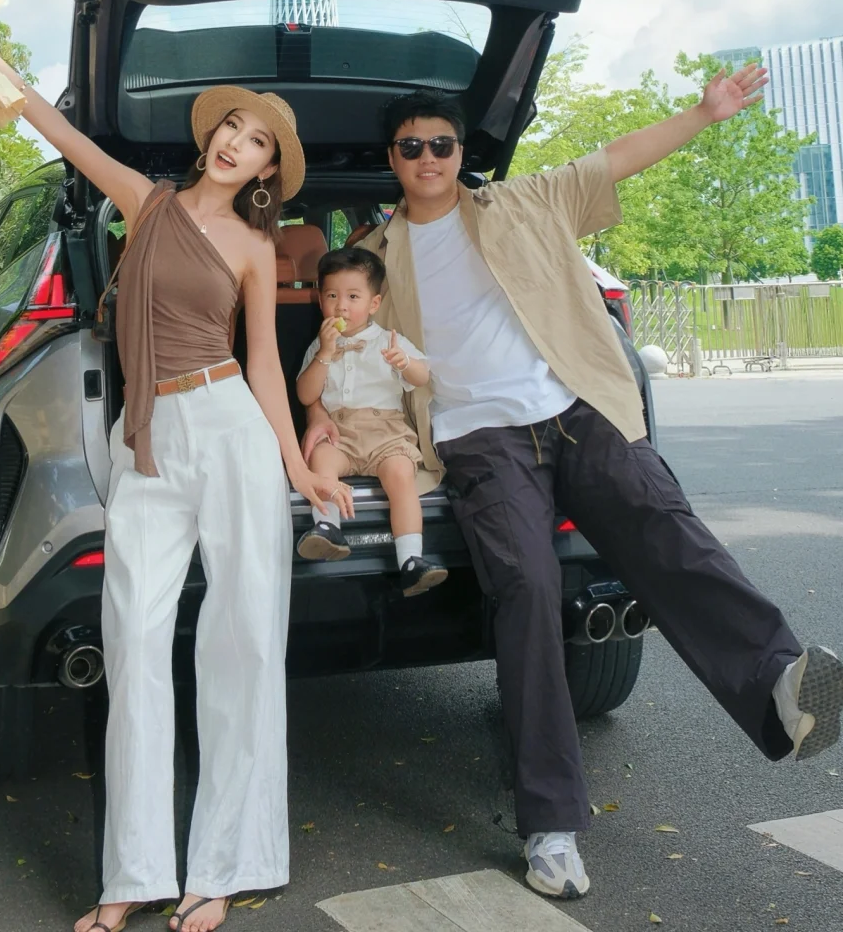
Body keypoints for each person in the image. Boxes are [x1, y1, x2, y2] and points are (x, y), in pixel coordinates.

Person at [304, 69, 843, 903]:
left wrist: (703, 113)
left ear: (460, 152)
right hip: (477, 438)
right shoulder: (375, 257)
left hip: (573, 407)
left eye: (441, 143)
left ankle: (781, 681)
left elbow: (616, 158)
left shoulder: (524, 201)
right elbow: (328, 332)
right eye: (411, 147)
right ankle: (551, 824)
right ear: (394, 159)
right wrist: (318, 424)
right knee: (526, 587)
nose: (428, 157)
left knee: (661, 520)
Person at [0, 17, 353, 932]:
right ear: (211, 137)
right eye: (231, 126)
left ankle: (227, 865)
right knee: (132, 643)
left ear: (266, 170)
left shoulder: (254, 248)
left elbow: (263, 366)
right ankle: (131, 874)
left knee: (243, 642)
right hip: (149, 436)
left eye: (256, 141)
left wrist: (298, 467)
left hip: (230, 428)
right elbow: (61, 132)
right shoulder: (147, 202)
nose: (236, 143)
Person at [295, 246, 446, 596]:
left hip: (385, 432)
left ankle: (411, 559)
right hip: (339, 433)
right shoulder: (319, 346)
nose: (341, 306)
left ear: (374, 303)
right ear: (320, 300)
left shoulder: (389, 340)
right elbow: (305, 394)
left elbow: (422, 376)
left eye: (353, 297)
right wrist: (324, 355)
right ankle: (328, 528)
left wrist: (403, 363)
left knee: (400, 475)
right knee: (321, 460)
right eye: (332, 296)